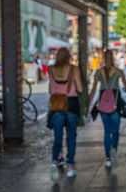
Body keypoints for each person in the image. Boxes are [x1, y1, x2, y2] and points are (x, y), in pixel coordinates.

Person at [88, 49, 126, 168]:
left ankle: (107, 158)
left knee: (107, 131)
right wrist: (123, 88)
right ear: (112, 58)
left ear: (103, 59)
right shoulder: (119, 71)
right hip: (115, 104)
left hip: (102, 104)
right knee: (115, 131)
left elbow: (93, 91)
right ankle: (114, 151)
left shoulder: (98, 72)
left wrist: (87, 107)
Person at [48, 48, 83, 181]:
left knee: (58, 137)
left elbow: (51, 89)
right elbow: (79, 89)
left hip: (57, 106)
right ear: (69, 57)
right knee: (71, 136)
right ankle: (71, 167)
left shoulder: (50, 69)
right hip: (72, 105)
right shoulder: (74, 69)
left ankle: (54, 162)